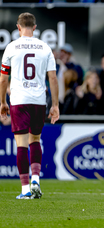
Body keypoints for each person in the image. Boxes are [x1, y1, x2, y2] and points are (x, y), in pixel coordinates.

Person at [0, 12, 59, 199]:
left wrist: (2, 102)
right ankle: (36, 180)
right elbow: (53, 78)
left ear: (18, 27)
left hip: (19, 100)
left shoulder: (11, 47)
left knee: (21, 145)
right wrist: (55, 105)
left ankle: (25, 189)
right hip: (38, 101)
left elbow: (3, 80)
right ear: (34, 27)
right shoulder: (45, 47)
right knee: (35, 140)